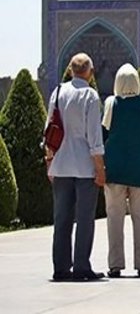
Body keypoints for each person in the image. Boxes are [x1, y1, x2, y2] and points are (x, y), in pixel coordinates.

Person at [45, 53, 106, 281]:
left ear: (70, 70)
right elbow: (94, 136)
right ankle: (81, 267)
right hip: (84, 167)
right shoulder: (90, 96)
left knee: (61, 219)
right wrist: (100, 168)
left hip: (60, 165)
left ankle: (61, 269)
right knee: (84, 218)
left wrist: (49, 161)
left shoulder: (58, 92)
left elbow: (49, 129)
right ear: (90, 73)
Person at [101, 63, 140, 278]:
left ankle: (115, 265)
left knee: (114, 219)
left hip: (115, 171)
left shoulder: (111, 104)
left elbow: (103, 134)